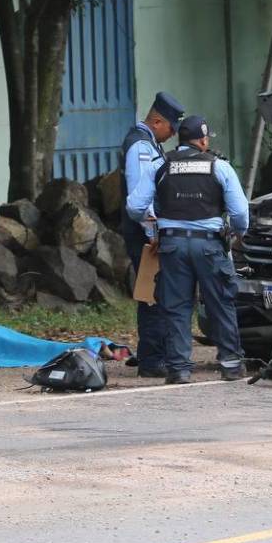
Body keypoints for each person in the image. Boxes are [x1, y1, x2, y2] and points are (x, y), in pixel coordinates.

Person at [126, 115, 249, 384]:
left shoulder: (160, 164)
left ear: (180, 139)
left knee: (176, 307)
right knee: (220, 303)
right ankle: (230, 364)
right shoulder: (220, 167)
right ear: (203, 140)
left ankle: (179, 369)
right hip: (209, 245)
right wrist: (238, 232)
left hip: (172, 246)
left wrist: (153, 220)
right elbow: (240, 213)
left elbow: (135, 207)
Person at [120, 91, 185, 377]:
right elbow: (141, 199)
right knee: (152, 295)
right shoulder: (141, 148)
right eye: (171, 128)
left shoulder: (147, 143)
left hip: (146, 233)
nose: (173, 134)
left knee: (156, 294)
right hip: (145, 234)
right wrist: (154, 234)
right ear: (157, 121)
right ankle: (151, 360)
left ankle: (154, 355)